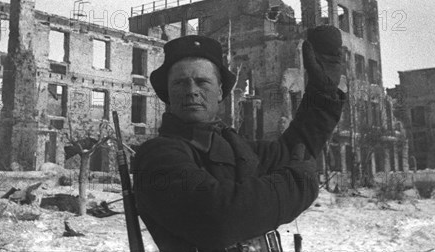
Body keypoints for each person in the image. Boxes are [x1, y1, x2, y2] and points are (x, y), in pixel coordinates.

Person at [132, 26, 345, 252]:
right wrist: (297, 185)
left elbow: (296, 149)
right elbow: (219, 217)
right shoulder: (157, 157)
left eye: (202, 82)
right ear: (167, 92)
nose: (192, 91)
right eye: (180, 82)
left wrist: (322, 93)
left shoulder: (232, 145)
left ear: (220, 91)